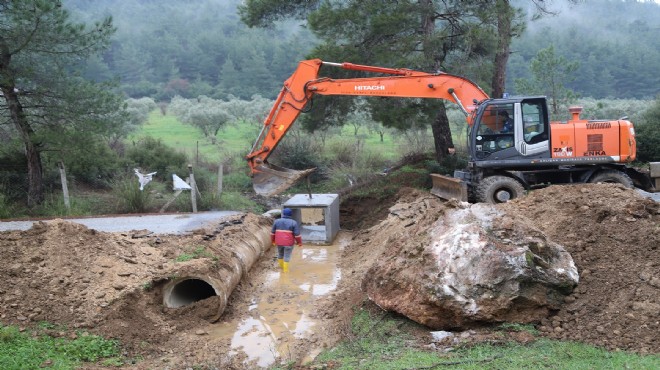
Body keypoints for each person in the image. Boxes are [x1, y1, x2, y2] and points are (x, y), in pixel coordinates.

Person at [271, 208, 302, 273]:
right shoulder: (293, 222)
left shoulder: (277, 221)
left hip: (279, 242)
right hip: (288, 243)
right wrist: (299, 242)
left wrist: (273, 241)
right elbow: (297, 235)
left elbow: (272, 233)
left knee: (280, 254)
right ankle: (285, 271)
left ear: (283, 214)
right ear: (291, 214)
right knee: (287, 256)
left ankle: (281, 268)